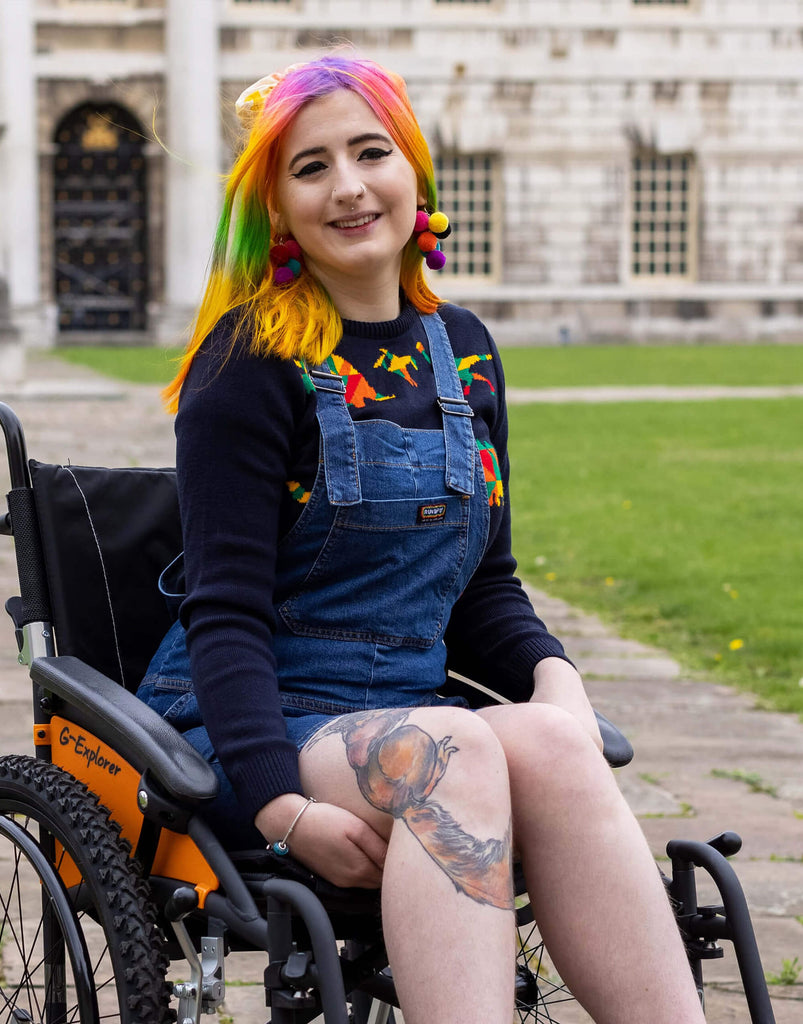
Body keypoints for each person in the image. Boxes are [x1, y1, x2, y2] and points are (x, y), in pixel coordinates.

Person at [138, 54, 705, 1024]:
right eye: (311, 167)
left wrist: (555, 676)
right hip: (254, 723)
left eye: (372, 152)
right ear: (274, 205)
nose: (350, 185)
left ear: (417, 175)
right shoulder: (248, 364)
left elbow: (486, 585)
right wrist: (282, 806)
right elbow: (224, 614)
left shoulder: (467, 347)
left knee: (552, 747)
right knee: (456, 750)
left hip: (408, 709)